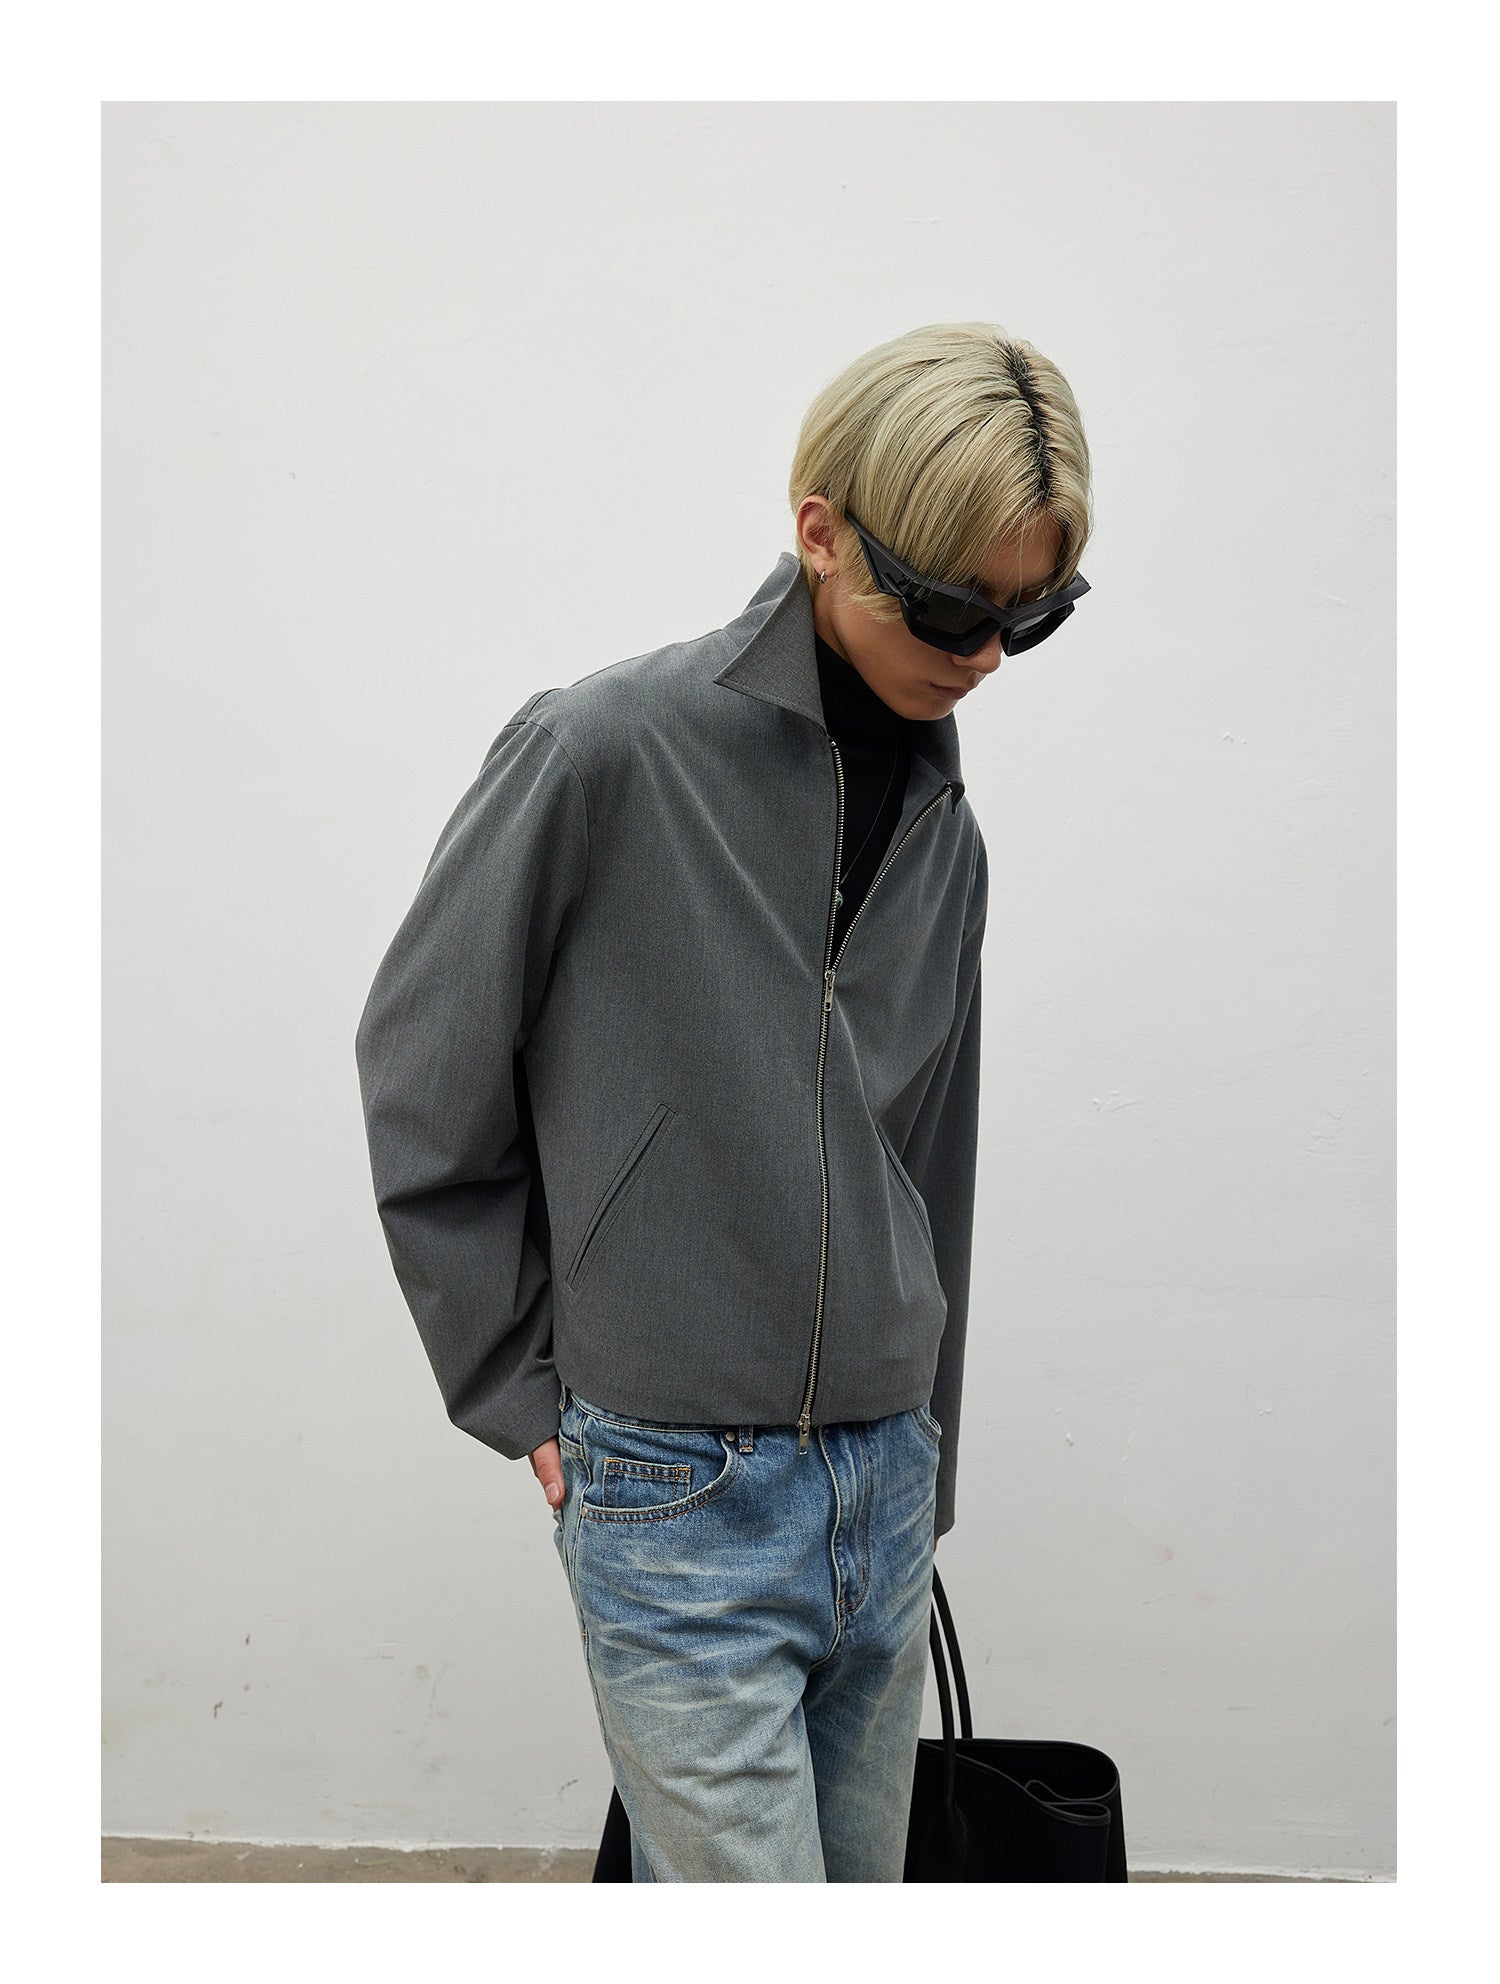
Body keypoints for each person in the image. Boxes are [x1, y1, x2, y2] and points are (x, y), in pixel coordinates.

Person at [354, 320, 1093, 1881]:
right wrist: (513, 1386)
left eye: (1030, 618)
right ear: (821, 532)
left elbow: (931, 1163)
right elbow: (423, 1069)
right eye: (952, 605)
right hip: (672, 1484)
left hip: (881, 1481)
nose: (982, 656)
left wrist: (929, 1458)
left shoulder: (948, 837)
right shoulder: (600, 754)